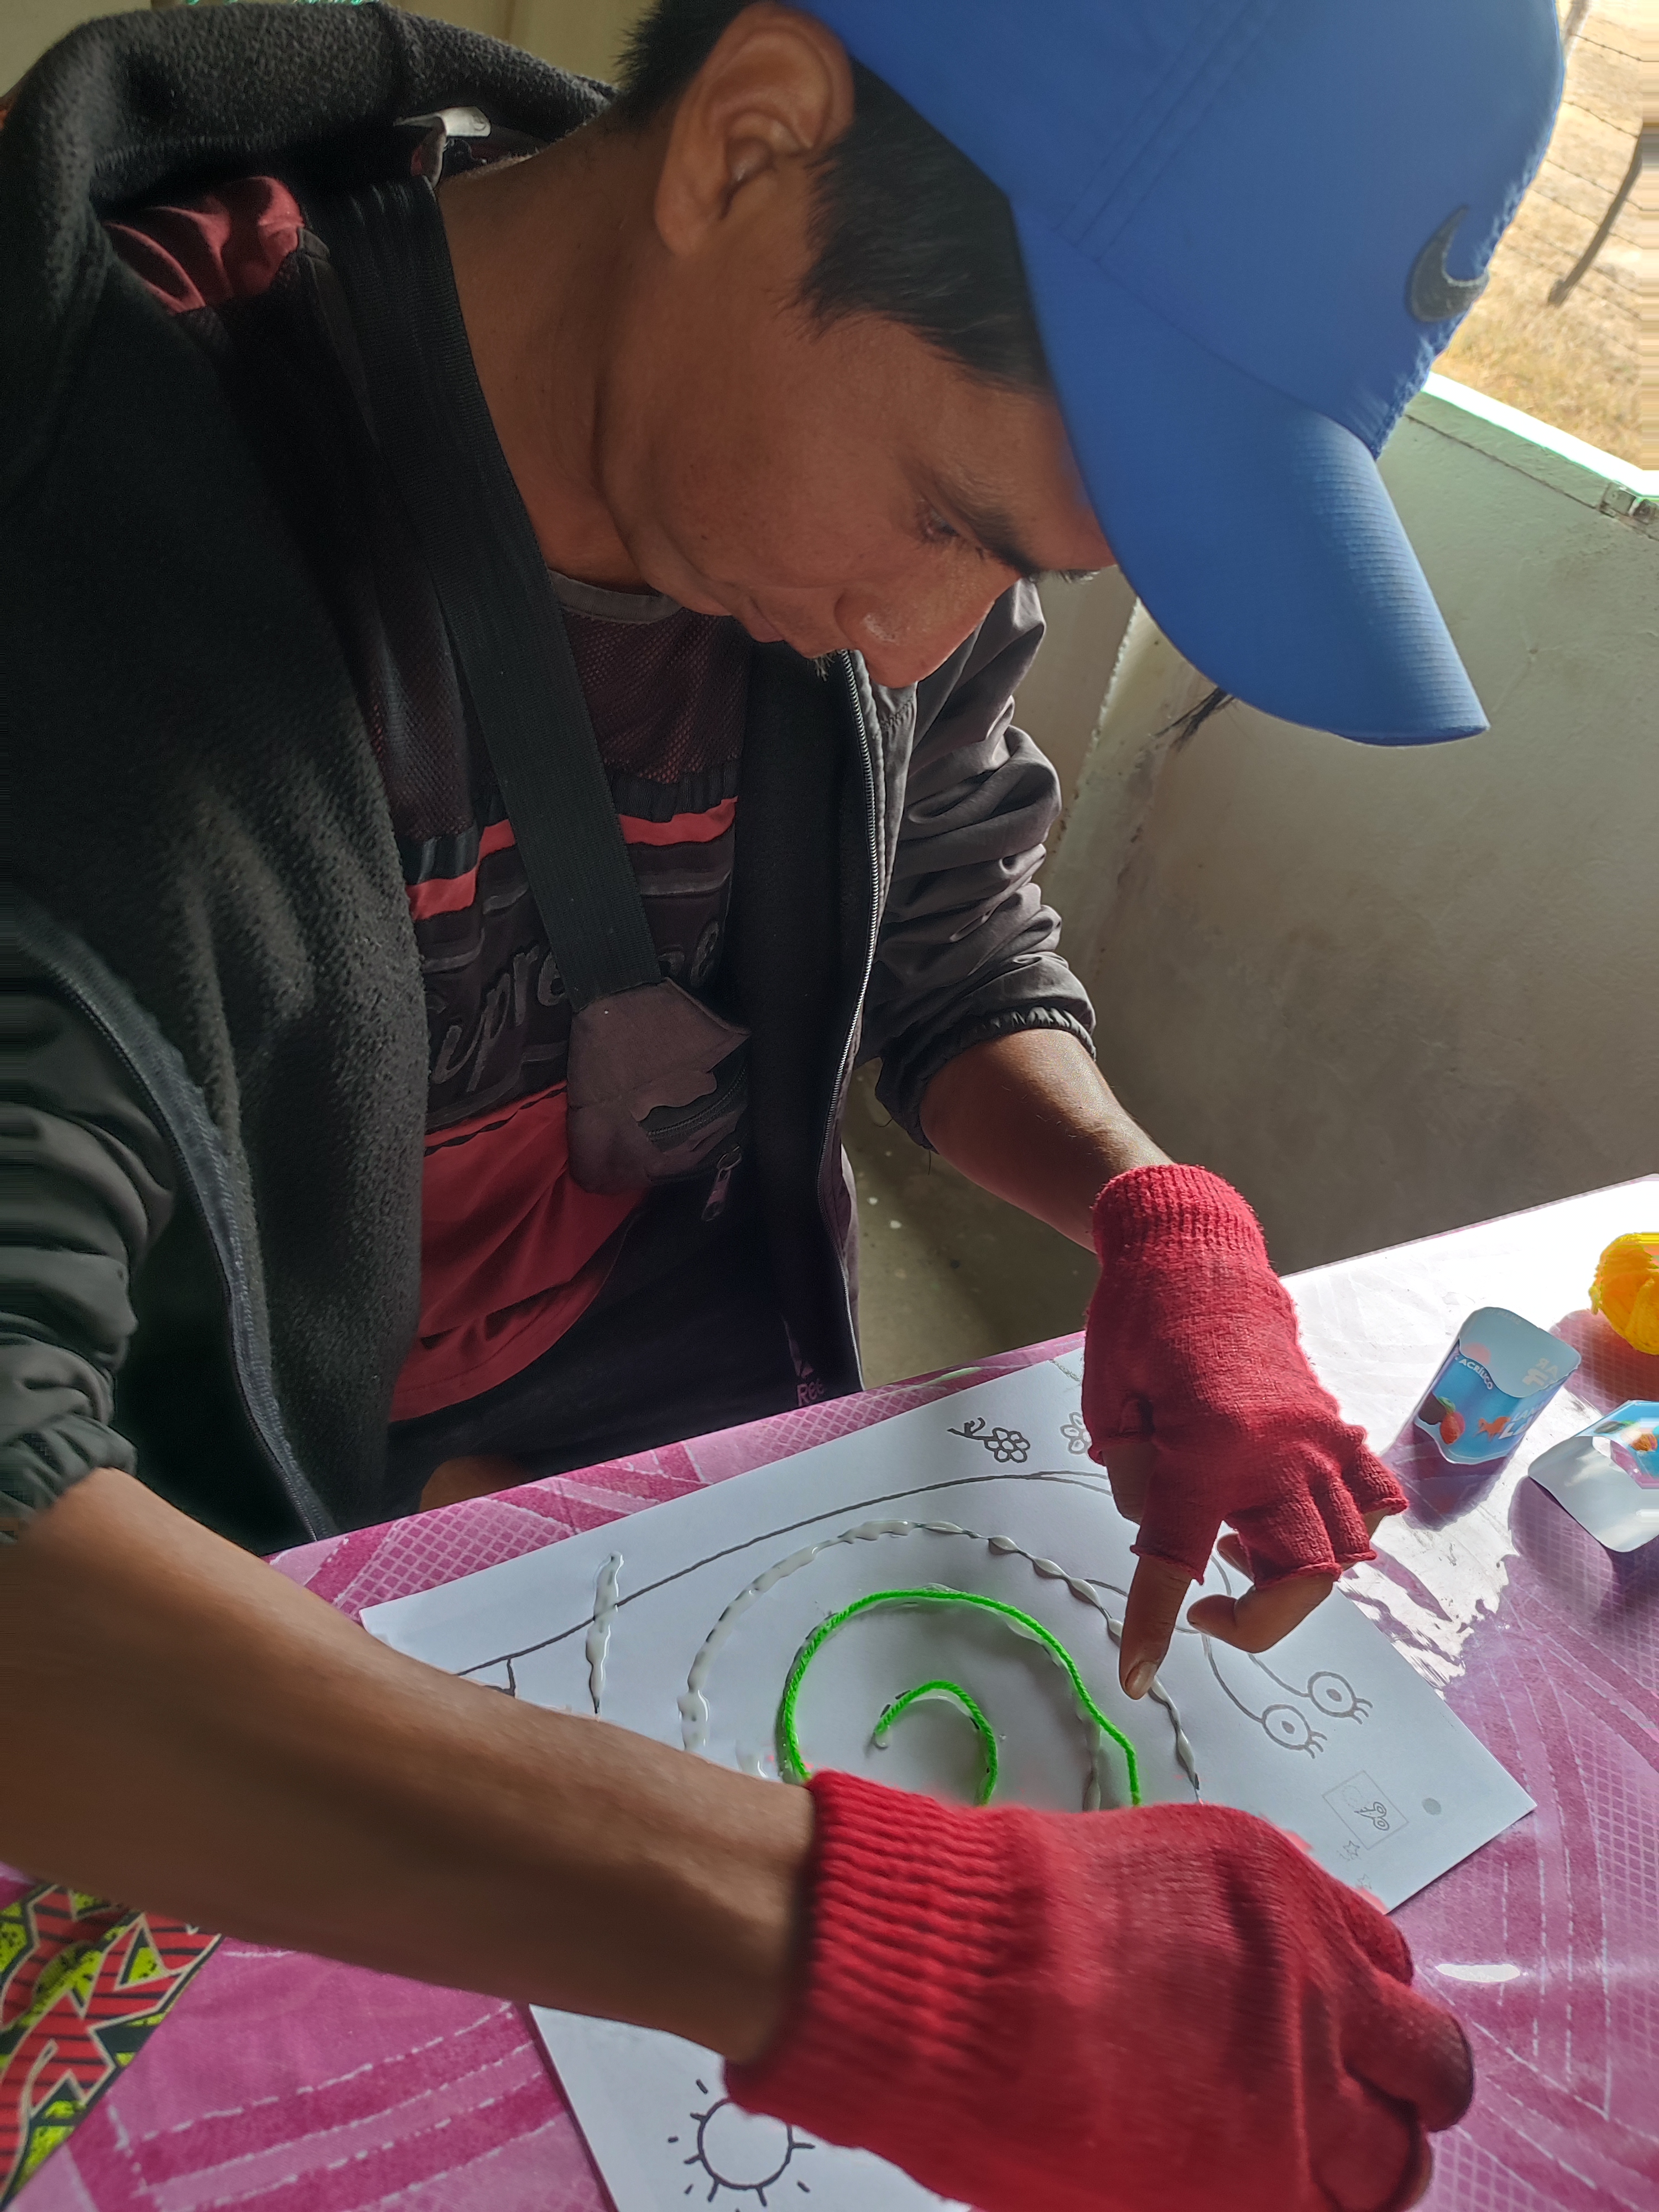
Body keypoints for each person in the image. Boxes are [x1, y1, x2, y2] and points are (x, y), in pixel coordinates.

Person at [0, 1, 1559, 2206]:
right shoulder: (84, 541)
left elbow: (944, 921)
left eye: (1023, 570)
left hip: (673, 1483)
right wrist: (869, 1961)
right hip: (214, 1605)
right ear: (746, 146)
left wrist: (1152, 1210)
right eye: (949, 518)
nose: (924, 642)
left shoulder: (823, 496)